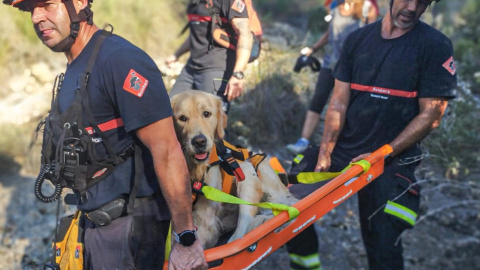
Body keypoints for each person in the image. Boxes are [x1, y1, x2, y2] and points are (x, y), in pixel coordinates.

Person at [9, 0, 208, 269]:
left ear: (79, 3)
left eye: (46, 4)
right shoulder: (77, 63)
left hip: (131, 230)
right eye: (29, 9)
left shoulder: (120, 61)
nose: (36, 17)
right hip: (96, 224)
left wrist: (186, 238)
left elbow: (168, 151)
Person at [287, 0, 456, 269]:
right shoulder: (357, 40)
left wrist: (383, 153)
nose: (412, 8)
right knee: (287, 204)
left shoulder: (435, 45)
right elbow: (338, 102)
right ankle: (306, 264)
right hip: (345, 148)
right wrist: (326, 150)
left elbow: (431, 115)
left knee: (383, 243)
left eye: (422, 1)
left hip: (393, 158)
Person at [286, 0, 378, 155]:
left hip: (353, 68)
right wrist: (313, 49)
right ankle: (303, 141)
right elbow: (330, 33)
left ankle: (341, 147)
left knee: (348, 106)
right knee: (318, 100)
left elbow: (373, 38)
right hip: (330, 63)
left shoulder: (367, 8)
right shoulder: (335, 6)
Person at [165, 0, 253, 113]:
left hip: (216, 68)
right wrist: (176, 55)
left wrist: (238, 74)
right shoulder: (195, 2)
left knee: (211, 124)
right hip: (191, 68)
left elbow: (245, 34)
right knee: (170, 113)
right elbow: (197, 32)